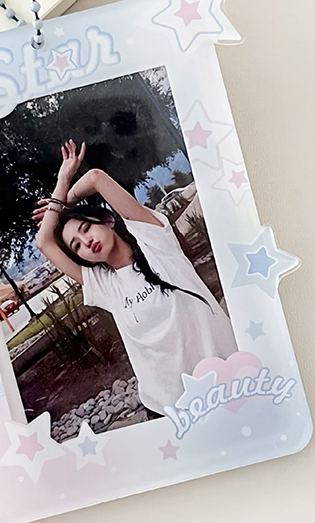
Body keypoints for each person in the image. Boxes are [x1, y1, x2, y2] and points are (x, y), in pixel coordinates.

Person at [34, 140, 238, 417]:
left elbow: (95, 178)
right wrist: (58, 197)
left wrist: (64, 197)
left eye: (86, 228)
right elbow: (44, 242)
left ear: (107, 221)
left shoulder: (156, 243)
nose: (86, 241)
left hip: (230, 380)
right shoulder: (103, 285)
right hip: (172, 411)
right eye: (77, 246)